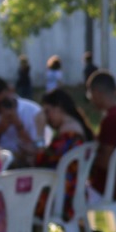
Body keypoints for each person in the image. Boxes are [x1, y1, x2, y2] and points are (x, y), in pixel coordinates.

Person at [32, 88, 95, 223]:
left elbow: (41, 164)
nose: (46, 118)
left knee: (19, 200)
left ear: (59, 107)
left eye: (47, 112)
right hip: (73, 192)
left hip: (62, 198)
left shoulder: (68, 134)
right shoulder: (76, 127)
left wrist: (39, 133)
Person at [0, 77, 44, 168]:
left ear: (11, 91)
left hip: (28, 162)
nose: (1, 108)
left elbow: (38, 148)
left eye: (4, 102)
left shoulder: (33, 111)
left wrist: (18, 125)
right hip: (0, 164)